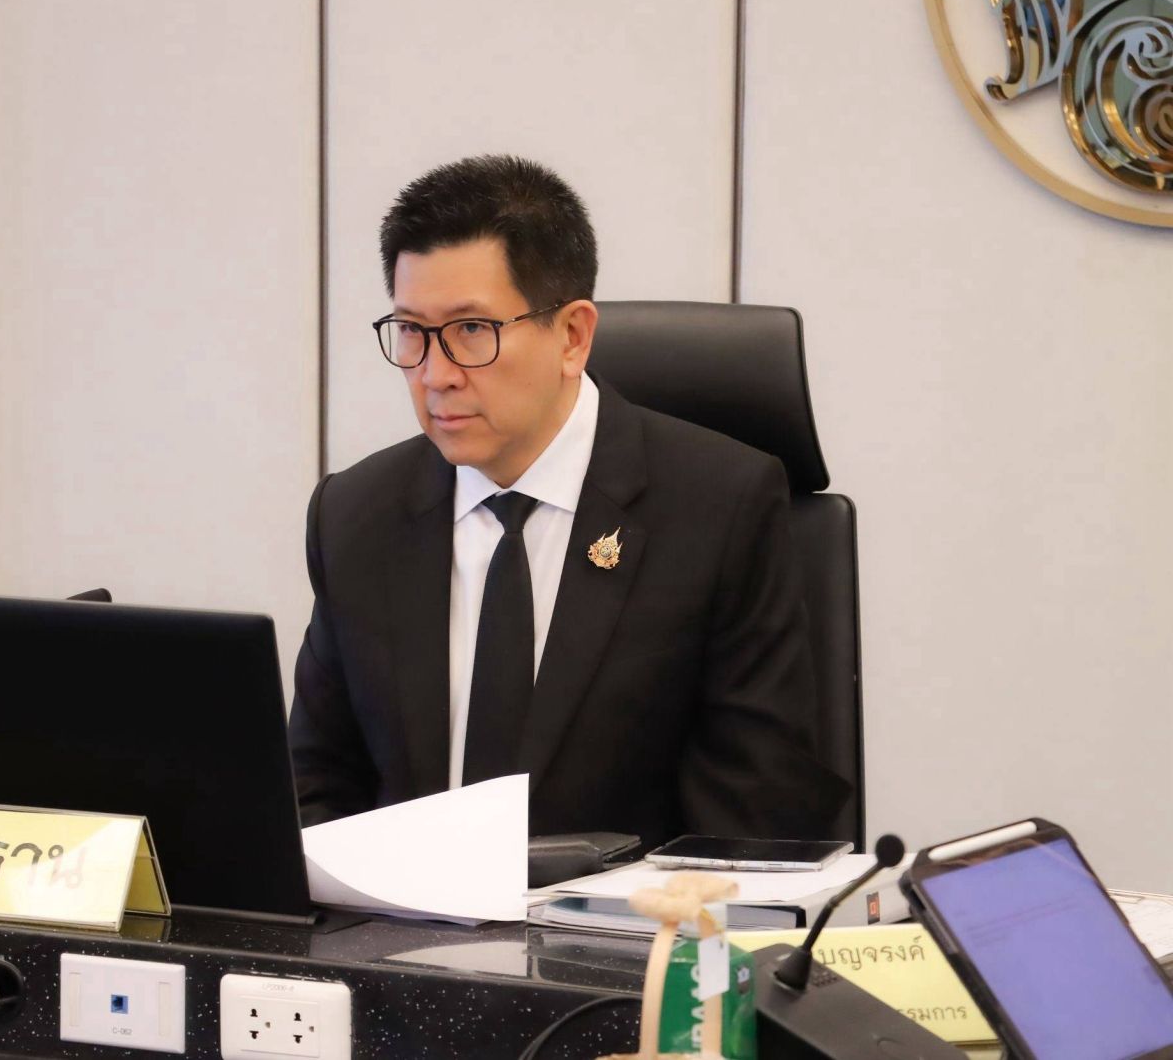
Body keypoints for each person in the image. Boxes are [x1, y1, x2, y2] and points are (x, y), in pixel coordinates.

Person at [287, 154, 847, 845]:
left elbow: (757, 816)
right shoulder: (355, 515)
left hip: (626, 915)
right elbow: (314, 792)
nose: (435, 375)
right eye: (411, 331)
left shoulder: (719, 509)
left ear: (573, 336)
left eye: (471, 330)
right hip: (400, 912)